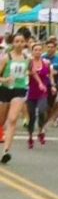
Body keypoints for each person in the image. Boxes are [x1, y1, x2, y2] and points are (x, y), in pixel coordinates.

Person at [0, 33, 30, 164]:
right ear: (13, 43)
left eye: (21, 41)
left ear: (24, 43)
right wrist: (5, 79)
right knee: (1, 120)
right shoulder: (6, 57)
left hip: (19, 89)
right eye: (16, 41)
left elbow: (27, 73)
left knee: (12, 120)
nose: (19, 44)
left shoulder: (26, 58)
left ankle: (6, 151)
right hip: (5, 89)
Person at [26, 43, 55, 148]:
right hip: (31, 92)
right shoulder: (29, 62)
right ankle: (30, 136)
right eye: (35, 50)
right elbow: (29, 73)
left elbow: (50, 75)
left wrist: (52, 86)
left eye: (39, 50)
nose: (38, 51)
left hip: (43, 92)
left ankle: (40, 131)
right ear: (32, 51)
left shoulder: (46, 63)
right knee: (32, 115)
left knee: (42, 110)